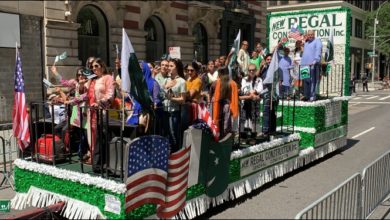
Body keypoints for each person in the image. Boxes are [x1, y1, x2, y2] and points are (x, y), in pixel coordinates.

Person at [85, 58, 115, 172]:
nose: (94, 68)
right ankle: (97, 164)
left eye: (96, 66)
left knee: (105, 137)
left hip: (105, 112)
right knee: (96, 138)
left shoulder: (107, 78)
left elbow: (110, 95)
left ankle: (107, 163)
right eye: (92, 67)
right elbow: (87, 95)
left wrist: (99, 103)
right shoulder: (93, 80)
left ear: (102, 66)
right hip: (94, 113)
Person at [163, 59, 187, 153]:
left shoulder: (181, 81)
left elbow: (182, 100)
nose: (169, 68)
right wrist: (166, 87)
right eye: (168, 66)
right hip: (165, 110)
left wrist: (171, 98)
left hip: (174, 111)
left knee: (173, 134)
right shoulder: (167, 80)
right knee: (166, 134)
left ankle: (175, 154)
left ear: (177, 68)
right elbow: (161, 94)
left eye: (171, 66)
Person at [212, 66, 239, 139]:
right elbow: (216, 98)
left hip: (228, 108)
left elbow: (234, 99)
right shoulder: (219, 82)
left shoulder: (232, 84)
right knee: (224, 125)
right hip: (221, 107)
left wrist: (234, 112)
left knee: (227, 126)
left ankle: (227, 138)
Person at [239, 64, 263, 138]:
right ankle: (243, 134)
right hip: (246, 101)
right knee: (243, 117)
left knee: (255, 118)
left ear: (255, 71)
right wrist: (251, 93)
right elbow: (243, 88)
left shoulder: (259, 79)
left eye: (253, 70)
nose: (251, 71)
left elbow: (260, 89)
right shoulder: (244, 79)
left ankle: (254, 134)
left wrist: (253, 92)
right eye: (250, 70)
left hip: (255, 102)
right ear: (248, 71)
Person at [300, 30, 322, 101]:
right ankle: (307, 95)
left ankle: (312, 96)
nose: (310, 36)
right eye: (309, 35)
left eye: (311, 34)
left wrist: (315, 61)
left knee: (313, 81)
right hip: (304, 65)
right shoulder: (306, 43)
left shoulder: (317, 41)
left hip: (313, 65)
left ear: (314, 34)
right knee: (306, 81)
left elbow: (318, 51)